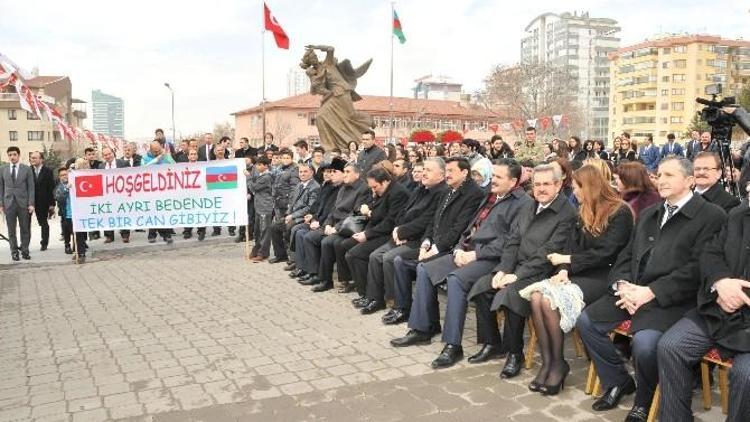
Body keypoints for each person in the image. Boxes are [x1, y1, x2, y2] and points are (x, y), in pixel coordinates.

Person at [575, 157, 726, 421]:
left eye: (669, 175)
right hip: (633, 290)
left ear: (689, 181)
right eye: (659, 174)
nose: (661, 180)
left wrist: (651, 291)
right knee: (587, 321)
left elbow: (699, 269)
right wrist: (621, 285)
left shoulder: (711, 215)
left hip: (673, 298)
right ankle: (618, 381)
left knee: (645, 345)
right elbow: (627, 254)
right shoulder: (650, 212)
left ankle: (644, 400)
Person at [390, 159, 532, 370]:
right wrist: (458, 248)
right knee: (424, 268)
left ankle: (452, 345)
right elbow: (469, 227)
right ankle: (423, 329)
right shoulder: (490, 196)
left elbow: (510, 242)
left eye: (498, 177)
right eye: (493, 175)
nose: (492, 180)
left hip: (491, 258)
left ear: (513, 181)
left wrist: (475, 255)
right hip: (467, 251)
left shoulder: (523, 203)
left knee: (456, 280)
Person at [518, 165, 633, 394]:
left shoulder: (619, 212)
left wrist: (568, 260)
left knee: (550, 301)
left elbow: (606, 253)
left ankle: (558, 365)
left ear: (589, 187)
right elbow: (569, 246)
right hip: (579, 272)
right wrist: (562, 270)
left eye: (577, 187)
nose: (574, 192)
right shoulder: (582, 210)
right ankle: (552, 362)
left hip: (605, 276)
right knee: (538, 296)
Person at [468, 164, 577, 379]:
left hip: (544, 272)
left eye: (547, 184)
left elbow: (550, 251)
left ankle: (515, 353)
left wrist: (516, 275)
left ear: (558, 184)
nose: (541, 189)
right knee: (482, 287)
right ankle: (492, 343)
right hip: (516, 266)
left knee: (511, 294)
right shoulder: (529, 206)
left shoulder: (566, 213)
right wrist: (503, 269)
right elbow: (513, 240)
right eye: (537, 184)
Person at [657, 200, 750, 421]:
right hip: (720, 309)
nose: (748, 190)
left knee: (746, 375)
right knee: (671, 346)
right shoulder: (738, 214)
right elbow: (710, 253)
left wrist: (738, 294)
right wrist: (721, 282)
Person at [390, 158, 484, 327]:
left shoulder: (473, 194)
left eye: (451, 171)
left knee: (422, 266)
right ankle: (403, 308)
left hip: (450, 248)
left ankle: (428, 324)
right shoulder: (448, 190)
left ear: (464, 172)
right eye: (446, 171)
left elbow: (459, 229)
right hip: (435, 244)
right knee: (400, 261)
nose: (447, 175)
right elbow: (433, 222)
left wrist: (434, 249)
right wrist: (426, 243)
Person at [362, 158, 448, 309]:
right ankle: (375, 298)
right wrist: (397, 230)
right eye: (424, 170)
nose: (424, 174)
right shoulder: (420, 189)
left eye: (428, 170)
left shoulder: (441, 193)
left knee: (389, 258)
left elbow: (427, 220)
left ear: (441, 175)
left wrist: (402, 232)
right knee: (375, 256)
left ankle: (395, 301)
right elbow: (403, 212)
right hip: (402, 235)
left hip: (417, 239)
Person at [345, 168, 409, 306]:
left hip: (390, 234)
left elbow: (390, 222)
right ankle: (365, 294)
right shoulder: (382, 191)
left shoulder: (398, 193)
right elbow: (377, 216)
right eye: (371, 187)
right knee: (349, 250)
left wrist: (367, 234)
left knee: (356, 254)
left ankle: (375, 297)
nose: (373, 190)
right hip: (377, 230)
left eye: (375, 187)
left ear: (385, 181)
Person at [300, 163, 370, 290]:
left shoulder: (363, 189)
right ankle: (315, 273)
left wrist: (336, 228)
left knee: (328, 242)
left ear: (357, 174)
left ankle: (330, 280)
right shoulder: (343, 188)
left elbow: (354, 213)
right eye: (344, 171)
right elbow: (334, 209)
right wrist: (327, 224)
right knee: (310, 237)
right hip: (333, 224)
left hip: (349, 227)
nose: (345, 174)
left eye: (348, 172)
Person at [289, 158, 345, 279]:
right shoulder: (327, 186)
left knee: (305, 234)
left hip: (328, 224)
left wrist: (319, 222)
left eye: (333, 172)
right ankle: (302, 267)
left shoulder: (341, 189)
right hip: (319, 220)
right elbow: (318, 205)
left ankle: (313, 272)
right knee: (298, 232)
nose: (329, 174)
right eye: (328, 172)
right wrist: (313, 218)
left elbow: (332, 211)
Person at [271, 164, 320, 266]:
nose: (302, 174)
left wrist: (292, 216)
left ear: (312, 172)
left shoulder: (315, 187)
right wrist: (288, 214)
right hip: (292, 215)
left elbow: (309, 208)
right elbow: (292, 202)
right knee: (274, 227)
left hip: (304, 217)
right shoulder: (299, 184)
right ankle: (281, 255)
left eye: (305, 171)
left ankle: (294, 260)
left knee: (290, 228)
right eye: (301, 172)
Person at [0, 146, 35, 261]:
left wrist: (31, 204)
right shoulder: (3, 169)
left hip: (23, 203)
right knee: (11, 230)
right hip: (8, 203)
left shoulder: (27, 169)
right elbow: (1, 187)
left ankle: (25, 251)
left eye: (14, 154)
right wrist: (1, 204)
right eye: (10, 155)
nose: (12, 157)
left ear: (18, 155)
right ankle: (14, 252)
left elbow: (31, 188)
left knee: (25, 228)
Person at [268, 149, 300, 263]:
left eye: (287, 158)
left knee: (286, 231)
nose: (285, 160)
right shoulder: (279, 169)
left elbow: (294, 189)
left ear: (291, 158)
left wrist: (290, 205)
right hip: (278, 203)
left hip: (287, 204)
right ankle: (280, 255)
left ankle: (292, 257)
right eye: (284, 158)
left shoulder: (294, 170)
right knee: (277, 229)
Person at [142, 141, 175, 244]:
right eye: (155, 151)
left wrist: (165, 156)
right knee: (153, 213)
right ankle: (152, 235)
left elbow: (175, 166)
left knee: (165, 212)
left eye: (159, 150)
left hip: (165, 189)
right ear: (150, 150)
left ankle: (167, 235)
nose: (157, 152)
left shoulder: (167, 156)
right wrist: (157, 159)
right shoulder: (145, 158)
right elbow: (142, 169)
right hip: (151, 189)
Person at [53, 167, 87, 263]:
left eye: (66, 174)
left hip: (77, 214)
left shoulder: (76, 183)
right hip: (67, 215)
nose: (64, 177)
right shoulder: (59, 187)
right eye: (62, 175)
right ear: (59, 177)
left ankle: (81, 253)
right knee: (73, 234)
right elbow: (58, 197)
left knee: (78, 234)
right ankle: (76, 251)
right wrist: (66, 189)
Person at [98, 147, 131, 243]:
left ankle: (125, 234)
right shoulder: (101, 166)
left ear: (113, 153)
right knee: (107, 214)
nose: (108, 156)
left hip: (121, 194)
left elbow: (130, 176)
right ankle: (109, 236)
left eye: (109, 154)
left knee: (123, 213)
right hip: (107, 195)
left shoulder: (123, 163)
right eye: (105, 155)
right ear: (103, 156)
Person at [249, 156, 275, 262]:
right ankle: (257, 249)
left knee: (265, 230)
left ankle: (263, 253)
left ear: (266, 166)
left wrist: (248, 177)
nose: (257, 166)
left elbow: (254, 187)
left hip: (265, 206)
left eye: (260, 165)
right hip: (259, 206)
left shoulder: (267, 177)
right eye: (257, 164)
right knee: (258, 230)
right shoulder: (261, 175)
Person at [29, 151, 55, 251]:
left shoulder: (47, 171)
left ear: (41, 159)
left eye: (35, 158)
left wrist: (52, 204)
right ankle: (25, 244)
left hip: (43, 201)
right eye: (31, 158)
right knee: (26, 224)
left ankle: (44, 243)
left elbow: (51, 188)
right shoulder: (28, 170)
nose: (33, 160)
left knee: (43, 223)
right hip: (30, 201)